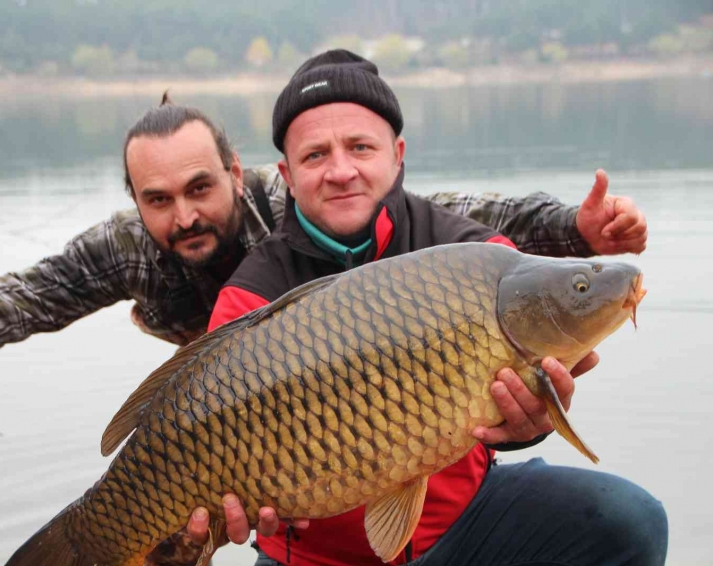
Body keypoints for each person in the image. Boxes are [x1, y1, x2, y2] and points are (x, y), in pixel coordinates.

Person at [189, 49, 666, 566]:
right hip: (313, 557)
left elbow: (510, 415)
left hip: (467, 525)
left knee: (630, 521)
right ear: (286, 173)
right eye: (315, 156)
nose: (341, 170)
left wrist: (532, 424)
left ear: (397, 155)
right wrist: (221, 523)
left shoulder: (479, 262)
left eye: (360, 147)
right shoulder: (249, 298)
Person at [0, 97, 645, 403]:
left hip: (342, 382)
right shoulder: (127, 248)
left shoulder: (295, 209)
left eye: (201, 188)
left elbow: (461, 215)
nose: (185, 216)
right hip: (217, 399)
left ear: (237, 174)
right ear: (135, 202)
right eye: (158, 201)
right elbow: (22, 299)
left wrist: (577, 232)